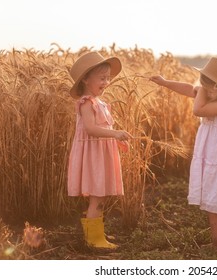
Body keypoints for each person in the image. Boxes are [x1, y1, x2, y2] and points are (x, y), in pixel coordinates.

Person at [150, 57, 217, 250]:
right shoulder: (214, 95)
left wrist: (201, 90)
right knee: (213, 201)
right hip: (211, 155)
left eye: (206, 84)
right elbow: (189, 89)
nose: (201, 88)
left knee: (216, 202)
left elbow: (198, 110)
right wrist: (165, 82)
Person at [67, 51, 132, 249]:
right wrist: (114, 134)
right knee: (97, 197)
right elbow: (91, 129)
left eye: (108, 79)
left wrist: (117, 139)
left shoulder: (100, 102)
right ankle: (94, 241)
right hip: (92, 156)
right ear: (86, 79)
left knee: (100, 196)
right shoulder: (87, 102)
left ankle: (96, 236)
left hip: (100, 152)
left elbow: (105, 128)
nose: (106, 82)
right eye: (102, 78)